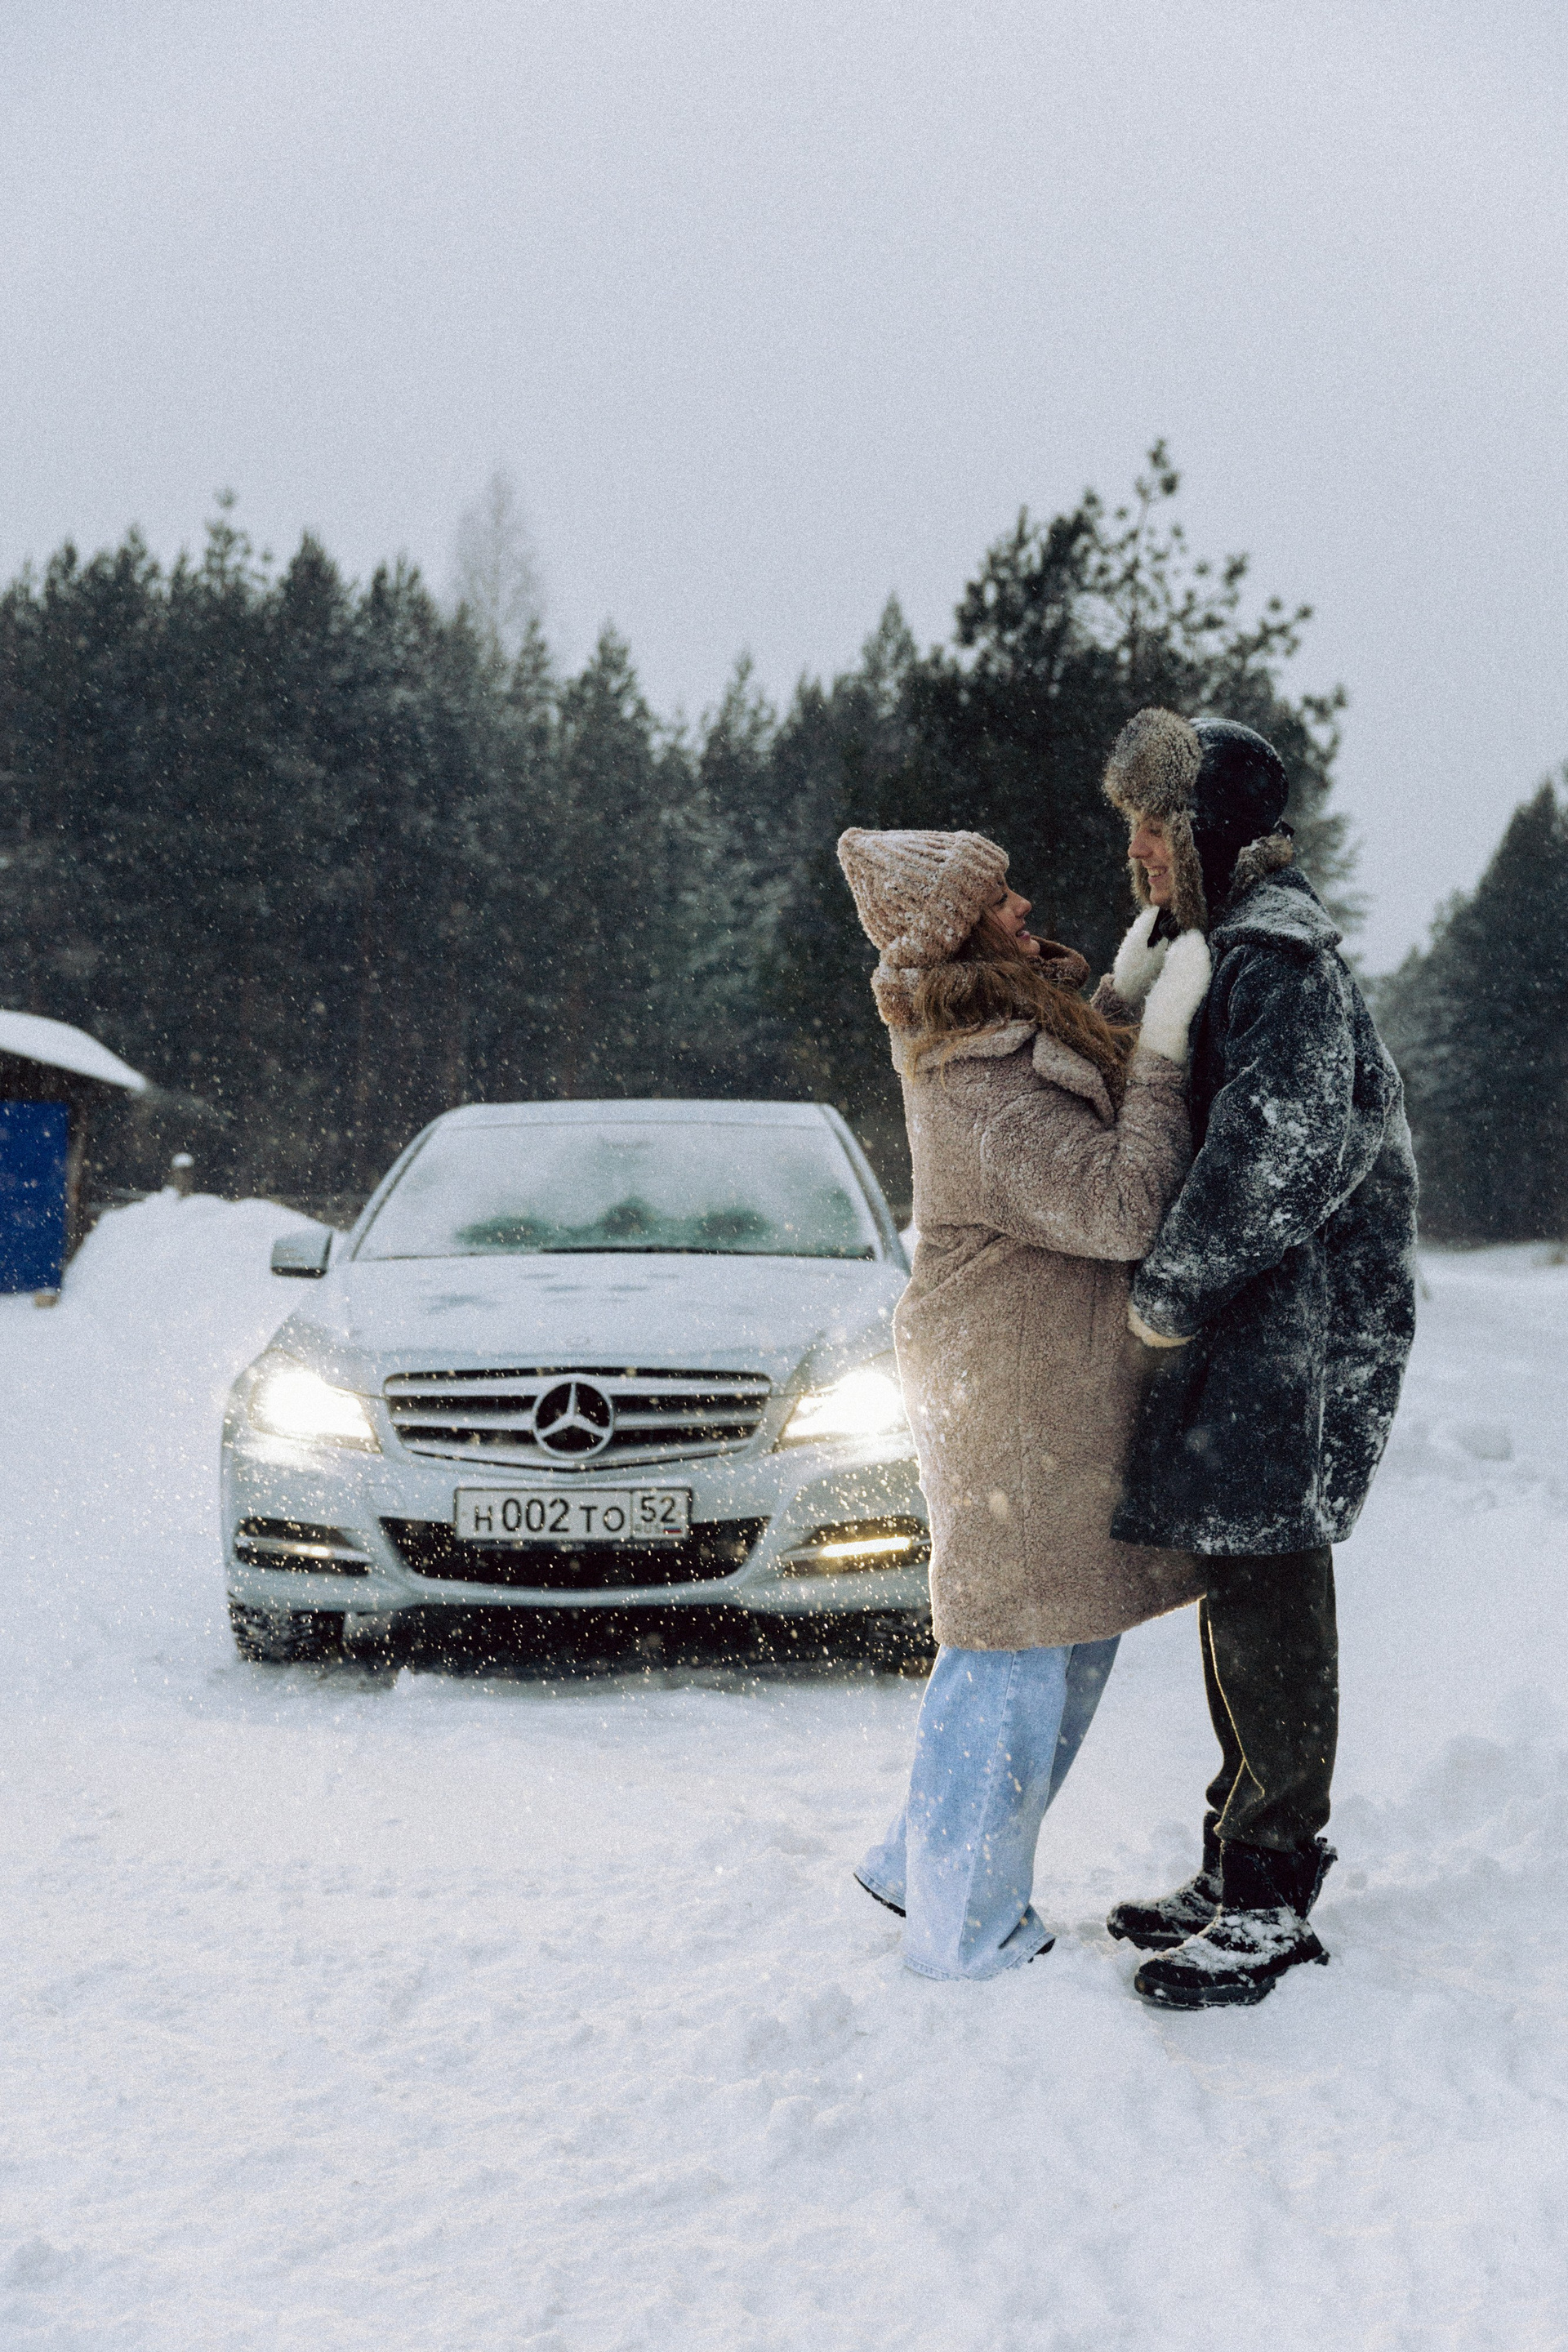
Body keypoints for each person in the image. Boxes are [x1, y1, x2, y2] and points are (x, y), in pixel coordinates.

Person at [835, 825, 1212, 1980]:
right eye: (998, 899)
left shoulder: (1000, 1029)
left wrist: (1121, 998)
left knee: (1064, 1635)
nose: (1023, 905)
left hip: (1045, 1389)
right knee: (1012, 1649)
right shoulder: (971, 1084)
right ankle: (966, 1931)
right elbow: (1117, 1204)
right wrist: (1161, 1046)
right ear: (960, 933)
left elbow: (1066, 1093)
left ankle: (922, 1863)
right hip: (1009, 1399)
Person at [1098, 709, 1419, 2009]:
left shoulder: (1279, 959)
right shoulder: (1220, 949)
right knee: (1238, 1576)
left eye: (1153, 825)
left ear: (1208, 831)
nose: (1136, 851)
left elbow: (1277, 1153)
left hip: (1299, 1336)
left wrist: (1171, 1288)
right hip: (1260, 1325)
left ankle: (1273, 1890)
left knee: (1270, 1586)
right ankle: (1237, 1860)